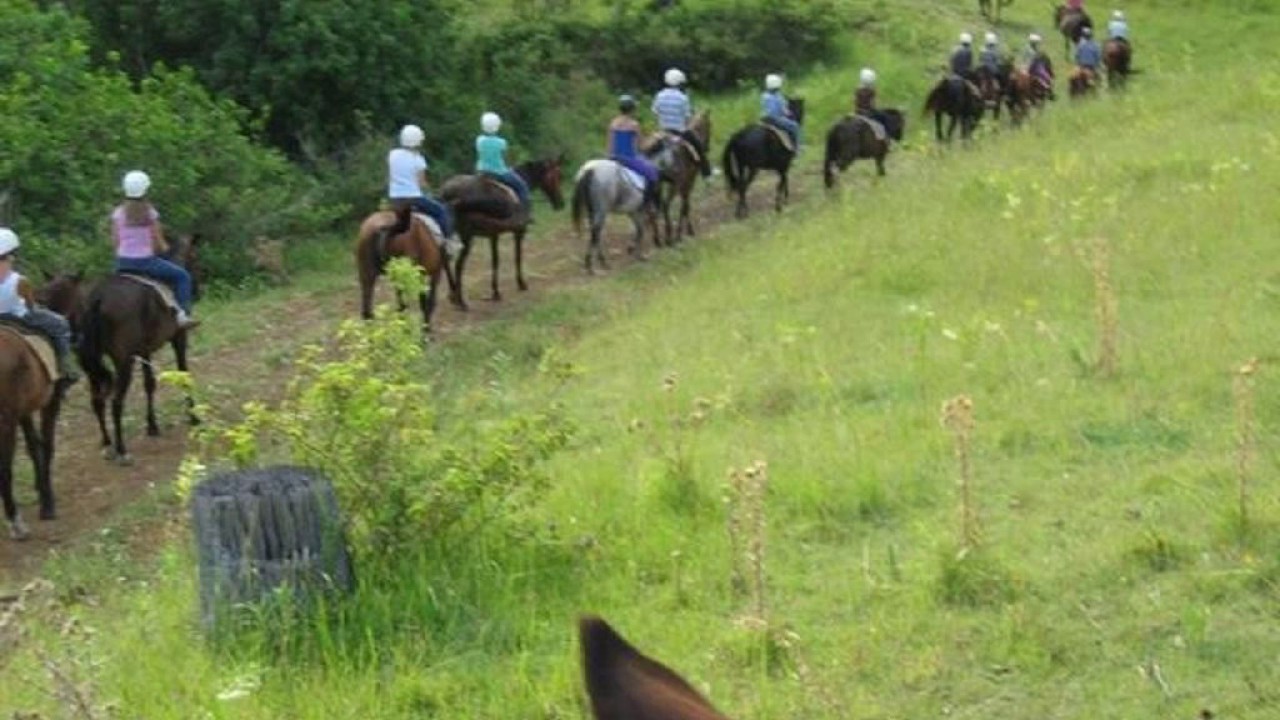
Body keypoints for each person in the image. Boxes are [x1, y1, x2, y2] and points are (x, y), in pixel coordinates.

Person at [111, 170, 198, 329]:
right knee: (182, 276)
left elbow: (115, 241)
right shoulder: (150, 213)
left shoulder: (118, 213)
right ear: (145, 190)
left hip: (121, 263)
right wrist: (165, 249)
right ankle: (183, 315)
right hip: (145, 262)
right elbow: (159, 243)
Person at [0, 228, 79, 385]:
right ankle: (65, 365)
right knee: (59, 324)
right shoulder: (20, 280)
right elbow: (30, 305)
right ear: (10, 254)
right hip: (17, 315)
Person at [387, 124, 460, 253]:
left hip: (394, 198)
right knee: (441, 211)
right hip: (414, 198)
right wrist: (431, 191)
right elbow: (421, 183)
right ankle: (448, 243)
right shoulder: (418, 159)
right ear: (417, 141)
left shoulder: (392, 154)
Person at [651, 68, 712, 178]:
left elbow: (655, 113)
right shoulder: (682, 98)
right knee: (699, 148)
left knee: (649, 149)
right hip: (680, 132)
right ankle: (707, 173)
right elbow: (687, 118)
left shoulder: (659, 95)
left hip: (663, 132)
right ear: (679, 83)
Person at [606, 95, 661, 208]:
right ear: (632, 109)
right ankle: (647, 203)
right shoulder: (634, 125)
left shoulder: (613, 123)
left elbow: (610, 144)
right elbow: (642, 146)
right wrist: (655, 138)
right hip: (629, 158)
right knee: (653, 173)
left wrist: (609, 156)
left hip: (613, 157)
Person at [475, 111, 532, 220]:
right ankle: (525, 214)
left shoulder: (479, 140)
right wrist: (509, 167)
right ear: (497, 126)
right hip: (499, 172)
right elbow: (505, 159)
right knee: (522, 187)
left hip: (481, 172)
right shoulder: (502, 142)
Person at [759, 73, 800, 149]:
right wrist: (787, 113)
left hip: (764, 118)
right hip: (775, 119)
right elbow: (779, 111)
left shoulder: (764, 95)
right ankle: (797, 148)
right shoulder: (777, 96)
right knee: (794, 126)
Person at [854, 67, 891, 131]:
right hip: (869, 113)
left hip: (858, 112)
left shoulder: (858, 90)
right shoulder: (871, 91)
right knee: (883, 117)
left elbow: (855, 101)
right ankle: (882, 135)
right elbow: (873, 104)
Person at [1025, 33, 1057, 100]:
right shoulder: (1033, 51)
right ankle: (1049, 92)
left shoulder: (1028, 49)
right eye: (1036, 43)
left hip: (1026, 66)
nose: (1036, 44)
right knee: (1048, 78)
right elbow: (1034, 61)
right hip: (1034, 68)